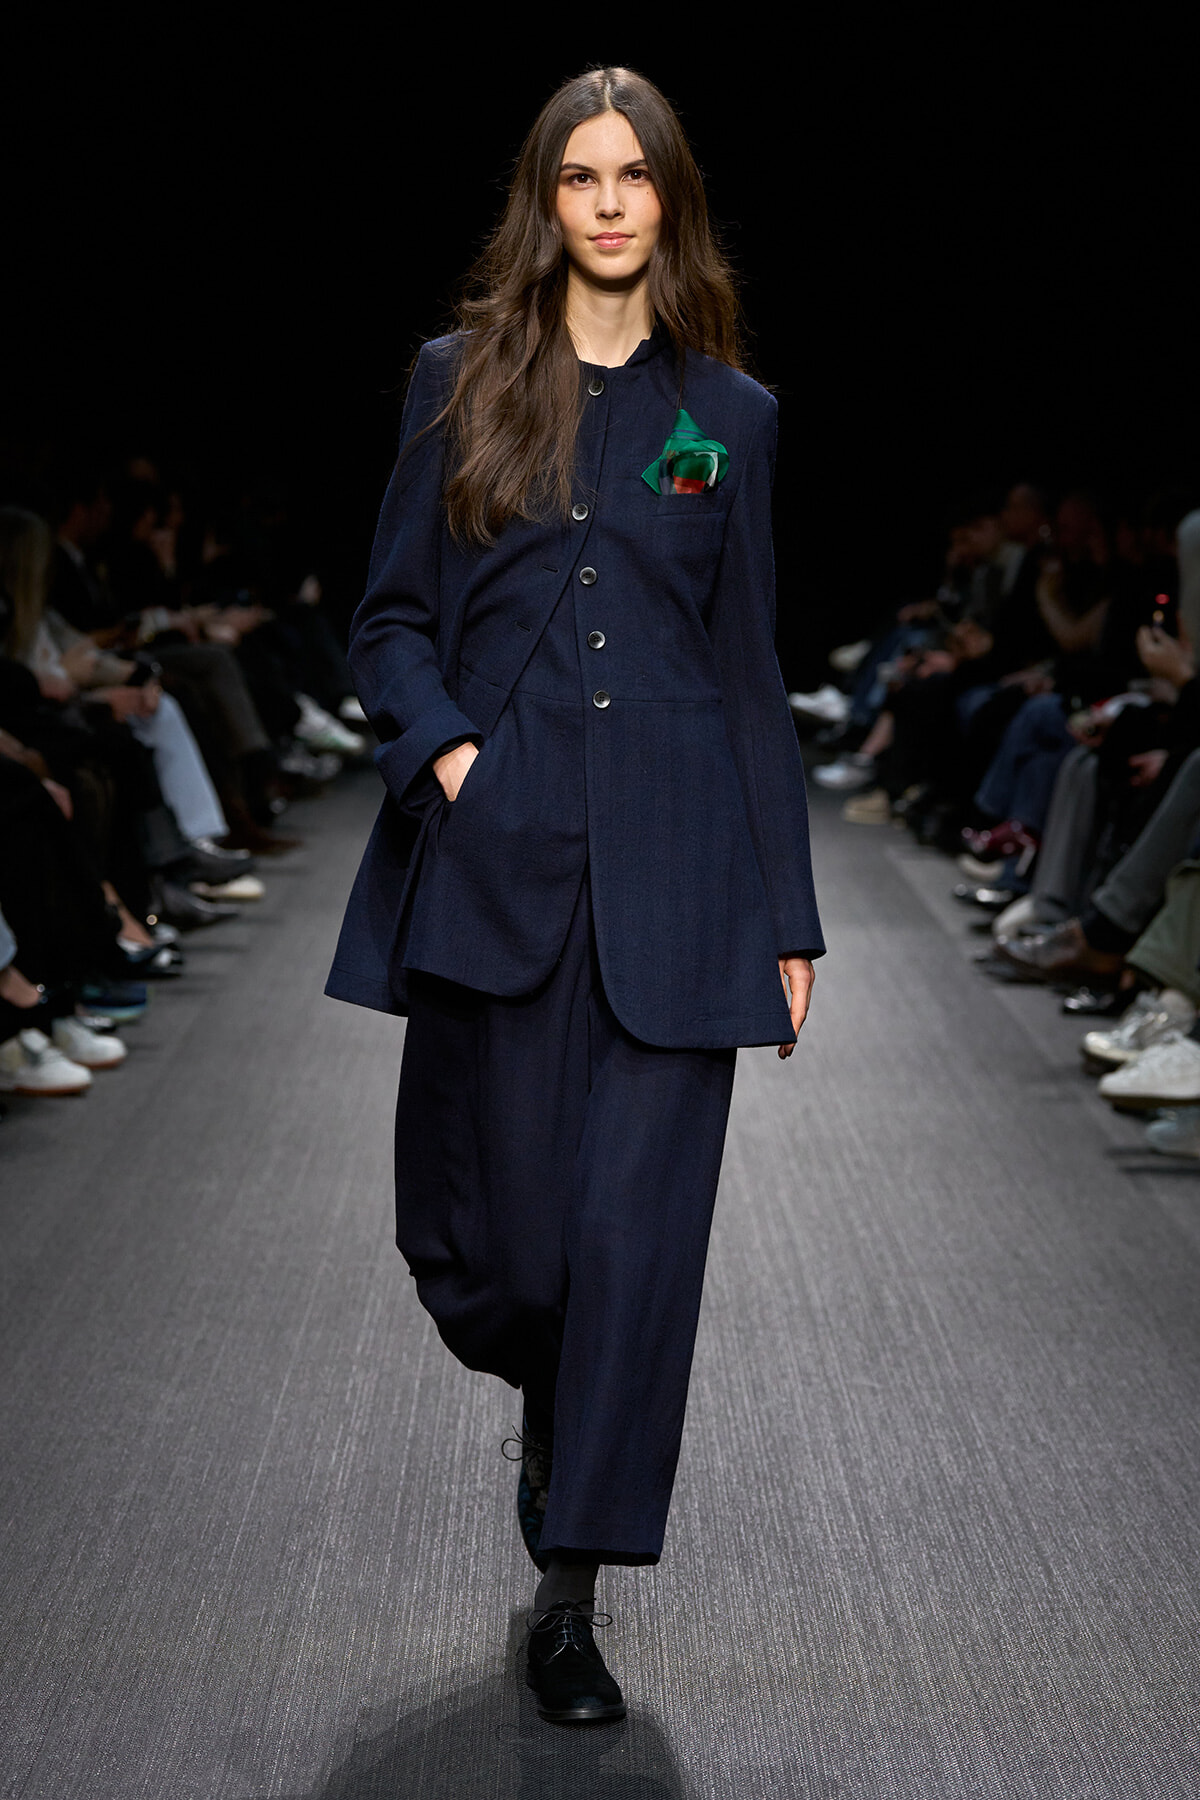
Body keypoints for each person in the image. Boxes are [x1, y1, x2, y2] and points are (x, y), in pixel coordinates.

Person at [325, 65, 824, 1726]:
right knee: (495, 1260)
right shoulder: (459, 384)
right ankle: (549, 1393)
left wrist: (789, 912)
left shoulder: (729, 419)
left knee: (631, 1252)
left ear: (669, 201)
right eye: (579, 178)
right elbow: (390, 623)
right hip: (496, 872)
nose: (610, 203)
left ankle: (571, 1589)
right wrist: (457, 763)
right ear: (544, 203)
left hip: (682, 886)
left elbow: (749, 674)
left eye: (636, 177)